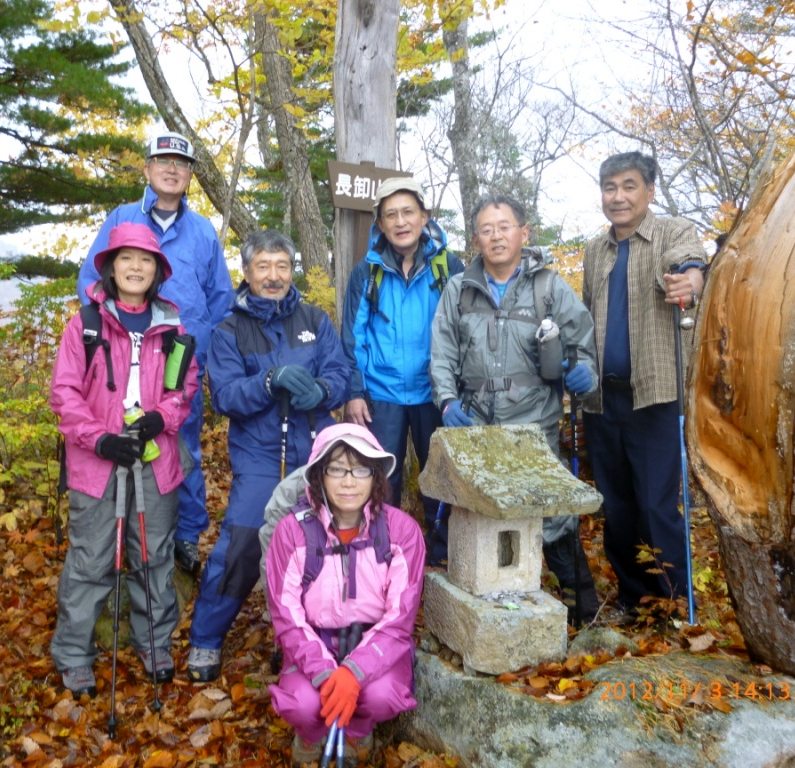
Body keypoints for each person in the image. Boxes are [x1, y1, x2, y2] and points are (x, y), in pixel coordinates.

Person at [186, 230, 350, 682]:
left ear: (291, 270)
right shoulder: (230, 329)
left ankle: (299, 639)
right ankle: (206, 638)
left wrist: (323, 390)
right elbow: (225, 397)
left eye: (281, 266)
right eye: (263, 267)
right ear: (247, 272)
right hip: (259, 453)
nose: (273, 276)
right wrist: (268, 382)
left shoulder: (314, 319)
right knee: (241, 543)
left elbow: (339, 371)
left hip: (316, 449)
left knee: (323, 547)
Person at [430, 193, 601, 619]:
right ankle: (487, 602)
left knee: (551, 514)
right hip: (476, 424)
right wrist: (447, 401)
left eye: (504, 227)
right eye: (486, 229)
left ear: (523, 233)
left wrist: (583, 372)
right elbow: (442, 351)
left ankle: (584, 609)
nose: (496, 236)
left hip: (534, 423)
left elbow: (582, 342)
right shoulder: (459, 288)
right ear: (476, 239)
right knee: (478, 508)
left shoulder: (548, 286)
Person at [77, 131, 234, 578]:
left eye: (181, 164)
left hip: (180, 360)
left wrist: (212, 361)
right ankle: (116, 535)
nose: (172, 169)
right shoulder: (123, 218)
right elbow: (89, 280)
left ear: (189, 177)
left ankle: (185, 535)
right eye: (163, 161)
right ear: (146, 169)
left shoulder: (202, 231)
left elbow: (220, 301)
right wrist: (108, 326)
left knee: (181, 449)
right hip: (120, 359)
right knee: (115, 442)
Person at [51, 223, 198, 695]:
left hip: (156, 461)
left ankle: (154, 643)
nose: (136, 268)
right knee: (90, 559)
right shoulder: (86, 325)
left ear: (157, 271)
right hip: (96, 463)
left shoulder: (173, 330)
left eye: (146, 260)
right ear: (111, 267)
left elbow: (185, 389)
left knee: (154, 556)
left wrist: (160, 418)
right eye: (126, 259)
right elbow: (65, 394)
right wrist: (100, 440)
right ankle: (74, 654)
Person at [581, 151, 707, 614]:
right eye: (610, 188)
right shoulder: (596, 250)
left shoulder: (670, 233)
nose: (619, 197)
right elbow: (586, 315)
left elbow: (690, 263)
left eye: (629, 186)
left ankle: (672, 603)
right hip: (601, 398)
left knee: (655, 506)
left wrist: (689, 283)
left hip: (654, 394)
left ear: (649, 191)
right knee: (616, 508)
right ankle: (635, 599)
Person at [265, 422, 426, 767]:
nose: (349, 481)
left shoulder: (401, 531)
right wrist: (326, 672)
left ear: (376, 475)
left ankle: (356, 731)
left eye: (361, 468)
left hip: (376, 644)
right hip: (313, 642)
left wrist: (353, 672)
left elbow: (400, 619)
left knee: (381, 696)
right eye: (336, 468)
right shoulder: (292, 532)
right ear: (319, 475)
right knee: (303, 705)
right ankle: (310, 734)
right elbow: (285, 615)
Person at [341, 177, 464, 563]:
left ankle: (442, 559)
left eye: (408, 212)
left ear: (424, 216)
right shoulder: (367, 272)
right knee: (380, 482)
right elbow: (352, 335)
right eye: (390, 214)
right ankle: (382, 554)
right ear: (379, 223)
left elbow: (467, 330)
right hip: (381, 395)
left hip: (436, 392)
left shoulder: (449, 266)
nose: (400, 221)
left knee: (440, 479)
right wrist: (354, 391)